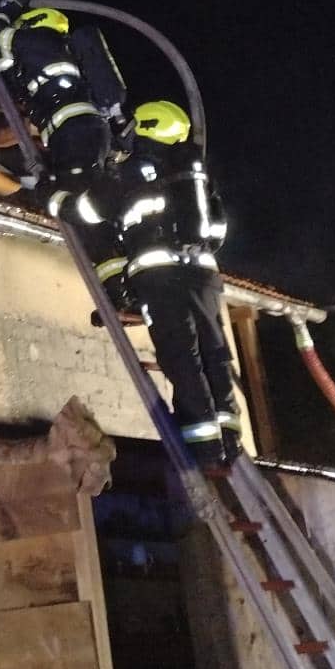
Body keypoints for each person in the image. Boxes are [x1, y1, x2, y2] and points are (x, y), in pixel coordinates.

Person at [88, 99, 242, 469]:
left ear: (147, 128)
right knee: (214, 355)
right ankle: (229, 439)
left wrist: (61, 188)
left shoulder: (134, 171)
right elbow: (217, 232)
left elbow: (91, 210)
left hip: (160, 277)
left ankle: (202, 446)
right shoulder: (196, 178)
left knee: (181, 356)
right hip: (203, 275)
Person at [0, 0, 125, 192]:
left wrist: (3, 12)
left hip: (73, 132)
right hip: (82, 130)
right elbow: (7, 72)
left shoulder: (39, 39)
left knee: (72, 191)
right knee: (77, 189)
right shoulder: (54, 51)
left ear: (31, 24)